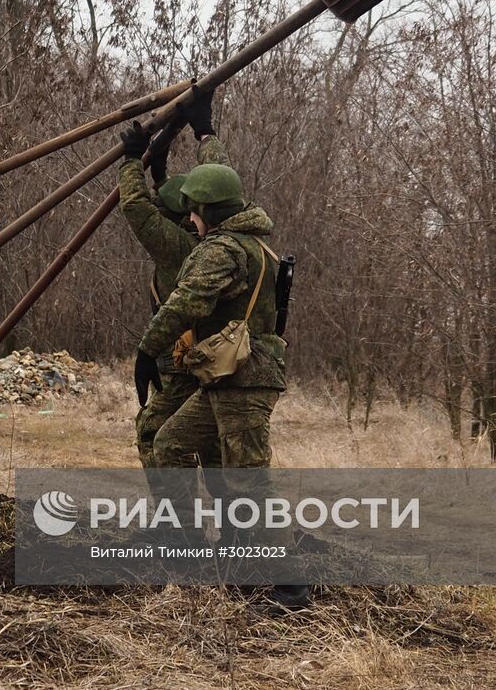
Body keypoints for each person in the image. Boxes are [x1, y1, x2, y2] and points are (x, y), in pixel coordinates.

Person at [134, 163, 309, 609]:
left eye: (193, 211)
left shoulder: (224, 249)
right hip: (227, 377)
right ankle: (195, 547)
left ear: (207, 212)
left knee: (249, 480)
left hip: (244, 379)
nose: (190, 219)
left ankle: (291, 587)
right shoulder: (255, 246)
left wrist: (146, 350)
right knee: (171, 443)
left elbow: (187, 301)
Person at [117, 85, 230, 467]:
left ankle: (178, 525)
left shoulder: (176, 248)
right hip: (216, 358)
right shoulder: (218, 228)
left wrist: (132, 159)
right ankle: (221, 524)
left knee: (155, 432)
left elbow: (136, 206)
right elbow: (217, 178)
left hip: (187, 364)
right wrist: (205, 132)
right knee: (211, 450)